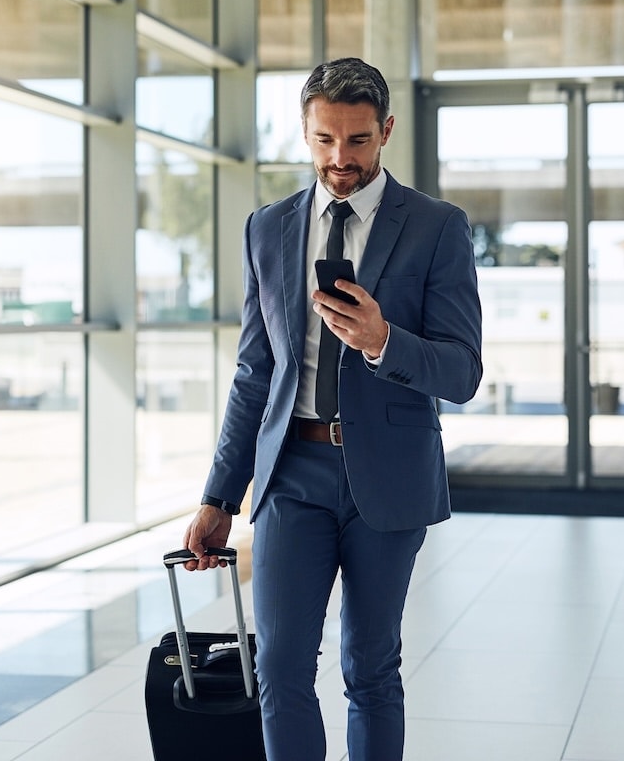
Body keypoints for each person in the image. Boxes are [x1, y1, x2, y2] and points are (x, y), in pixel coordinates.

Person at [182, 57, 482, 761]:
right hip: (292, 472)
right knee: (280, 666)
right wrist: (219, 497)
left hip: (389, 472)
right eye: (324, 139)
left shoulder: (436, 227)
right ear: (305, 131)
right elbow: (255, 373)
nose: (340, 158)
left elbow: (463, 371)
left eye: (357, 140)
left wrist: (383, 341)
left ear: (387, 131)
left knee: (370, 667)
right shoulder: (268, 228)